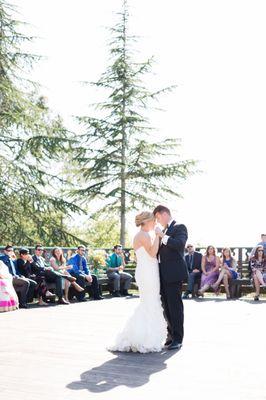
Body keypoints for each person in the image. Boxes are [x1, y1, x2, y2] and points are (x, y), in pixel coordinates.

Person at [108, 211, 167, 353]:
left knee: (149, 302)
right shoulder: (143, 235)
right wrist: (159, 236)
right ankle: (145, 338)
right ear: (147, 221)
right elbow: (152, 253)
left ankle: (146, 336)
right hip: (147, 272)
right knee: (150, 302)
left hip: (148, 270)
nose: (155, 223)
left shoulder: (143, 235)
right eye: (153, 221)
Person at [153, 205, 188, 351]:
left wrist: (162, 236)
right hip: (162, 274)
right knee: (166, 306)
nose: (157, 221)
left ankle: (178, 338)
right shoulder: (164, 230)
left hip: (174, 274)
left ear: (164, 214)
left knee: (175, 307)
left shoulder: (180, 227)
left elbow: (179, 245)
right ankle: (171, 335)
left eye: (158, 218)